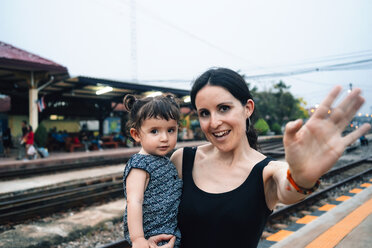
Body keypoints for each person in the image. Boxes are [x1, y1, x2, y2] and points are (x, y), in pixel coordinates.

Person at [146, 67, 371, 248]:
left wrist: (302, 177)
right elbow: (155, 214)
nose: (213, 122)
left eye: (224, 108)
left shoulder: (268, 171)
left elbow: (290, 189)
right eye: (204, 113)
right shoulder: (181, 159)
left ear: (248, 108)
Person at [122, 93, 183, 248]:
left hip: (168, 230)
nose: (164, 138)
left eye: (171, 130)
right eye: (154, 131)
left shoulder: (164, 161)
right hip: (152, 234)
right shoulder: (139, 164)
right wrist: (138, 239)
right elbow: (134, 201)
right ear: (136, 134)